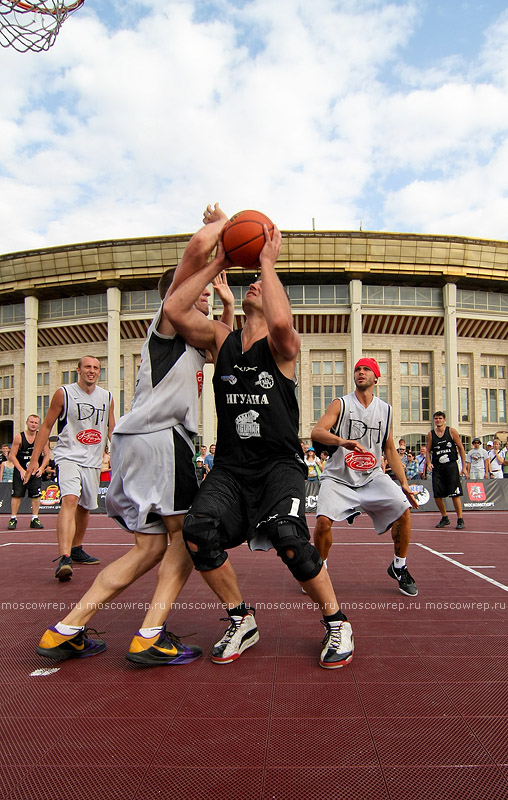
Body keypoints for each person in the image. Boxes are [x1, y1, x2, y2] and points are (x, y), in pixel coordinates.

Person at [35, 211, 235, 665]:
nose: (204, 298)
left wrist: (224, 299)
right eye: (200, 293)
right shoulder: (165, 325)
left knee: (149, 547)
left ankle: (66, 628)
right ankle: (149, 633)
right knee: (188, 537)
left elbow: (226, 346)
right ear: (179, 294)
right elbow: (186, 274)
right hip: (163, 441)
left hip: (140, 443)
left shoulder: (189, 340)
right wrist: (222, 239)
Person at [165, 204, 353, 669]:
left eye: (259, 285)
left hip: (278, 465)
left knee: (289, 536)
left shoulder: (282, 348)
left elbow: (284, 322)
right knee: (197, 530)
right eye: (251, 281)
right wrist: (222, 259)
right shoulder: (219, 339)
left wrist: (266, 260)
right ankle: (240, 617)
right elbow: (172, 308)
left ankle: (337, 621)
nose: (253, 286)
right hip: (230, 467)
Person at [311, 358, 419, 597]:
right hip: (339, 477)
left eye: (366, 369)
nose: (360, 372)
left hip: (371, 477)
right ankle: (319, 568)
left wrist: (403, 483)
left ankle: (399, 567)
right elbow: (317, 431)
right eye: (357, 369)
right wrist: (341, 441)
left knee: (404, 511)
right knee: (323, 522)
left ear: (376, 377)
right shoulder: (341, 404)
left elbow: (389, 449)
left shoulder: (386, 409)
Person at [24, 357, 115, 580]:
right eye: (87, 367)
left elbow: (112, 429)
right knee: (70, 499)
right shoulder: (63, 393)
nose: (91, 371)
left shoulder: (107, 397)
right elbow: (46, 426)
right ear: (78, 370)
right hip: (68, 455)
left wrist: (121, 458)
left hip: (93, 459)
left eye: (96, 368)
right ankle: (64, 558)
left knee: (85, 507)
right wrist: (35, 460)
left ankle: (76, 548)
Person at [426, 411, 466, 530]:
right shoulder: (431, 434)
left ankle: (460, 518)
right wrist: (428, 463)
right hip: (438, 467)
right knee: (437, 495)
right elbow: (428, 450)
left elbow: (461, 448)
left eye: (440, 418)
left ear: (444, 420)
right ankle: (445, 517)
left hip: (451, 466)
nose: (438, 420)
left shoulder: (451, 431)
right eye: (436, 418)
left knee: (455, 493)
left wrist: (464, 467)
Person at [8, 415, 50, 530]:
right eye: (31, 422)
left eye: (36, 423)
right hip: (21, 471)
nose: (33, 424)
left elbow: (47, 455)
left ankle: (35, 518)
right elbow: (12, 455)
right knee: (16, 495)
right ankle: (13, 518)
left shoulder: (42, 438)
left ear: (38, 425)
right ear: (27, 422)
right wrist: (21, 470)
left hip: (35, 471)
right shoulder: (19, 437)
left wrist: (41, 468)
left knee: (36, 495)